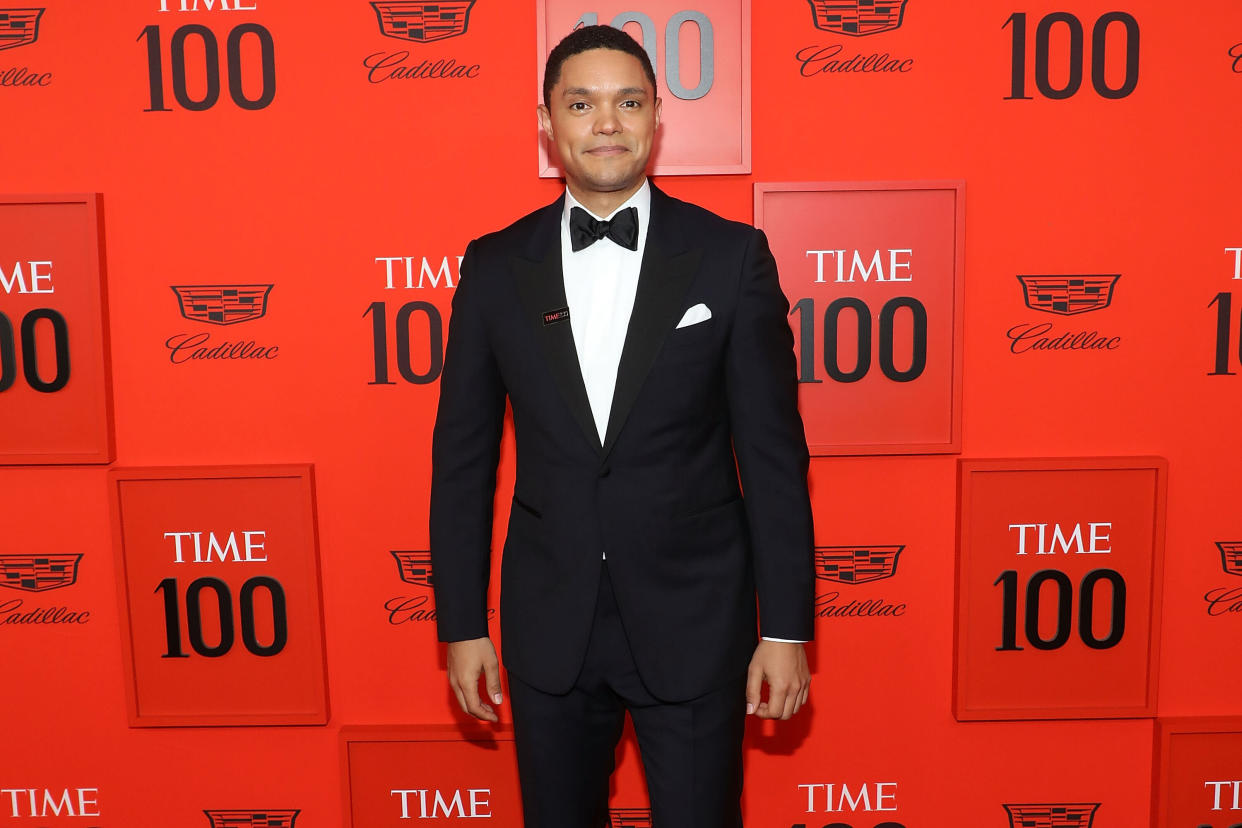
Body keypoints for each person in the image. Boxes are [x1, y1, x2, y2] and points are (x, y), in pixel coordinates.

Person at [429, 24, 814, 827]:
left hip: (697, 622)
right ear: (548, 123)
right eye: (581, 103)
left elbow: (773, 457)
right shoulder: (494, 267)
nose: (606, 122)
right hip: (548, 625)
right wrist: (461, 625)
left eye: (627, 101)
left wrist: (784, 629)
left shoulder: (730, 258)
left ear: (656, 118)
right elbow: (462, 460)